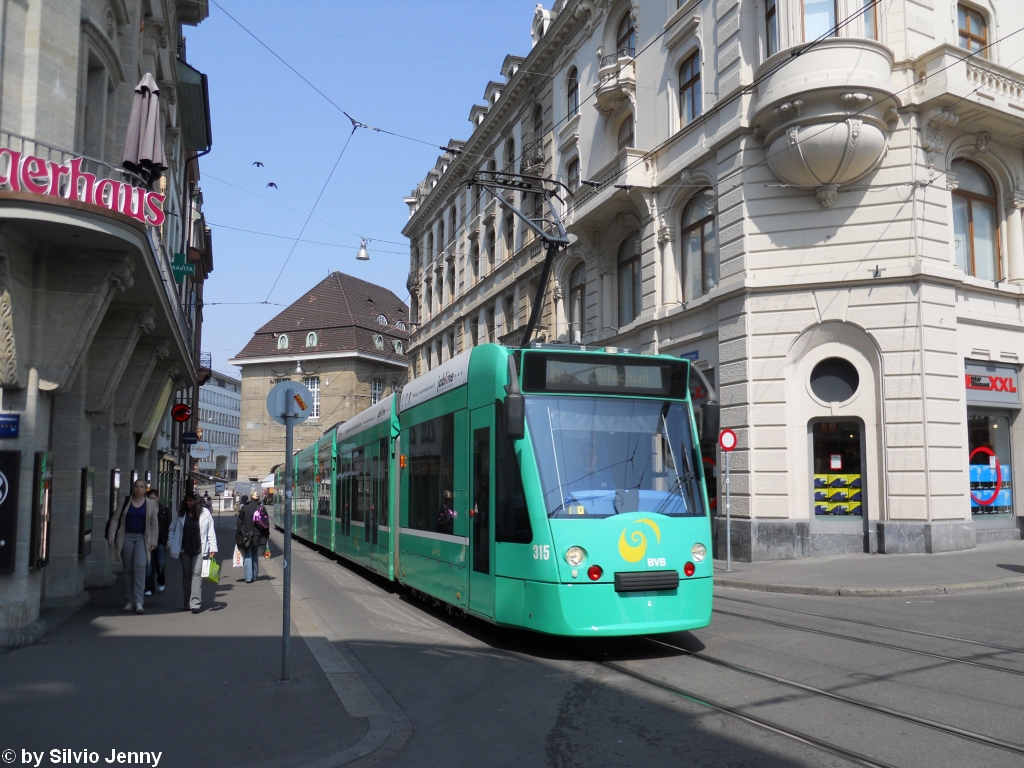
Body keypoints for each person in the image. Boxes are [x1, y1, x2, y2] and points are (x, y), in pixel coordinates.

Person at [107, 479, 158, 614]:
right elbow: (115, 518)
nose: (138, 489)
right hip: (127, 537)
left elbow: (154, 524)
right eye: (136, 486)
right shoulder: (125, 501)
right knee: (128, 570)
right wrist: (112, 535)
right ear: (133, 488)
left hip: (142, 538)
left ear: (145, 489)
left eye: (141, 487)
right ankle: (129, 600)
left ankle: (139, 601)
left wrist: (153, 542)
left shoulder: (150, 504)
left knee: (140, 567)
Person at [169, 492, 218, 613]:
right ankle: (186, 602)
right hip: (184, 549)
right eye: (187, 501)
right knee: (186, 575)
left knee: (196, 574)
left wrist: (213, 548)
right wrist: (170, 542)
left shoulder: (205, 513)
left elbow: (210, 531)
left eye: (191, 501)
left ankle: (195, 603)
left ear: (196, 501)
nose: (189, 503)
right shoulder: (180, 513)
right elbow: (172, 528)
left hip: (199, 549)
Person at [144, 489, 171, 596]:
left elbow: (169, 526)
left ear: (158, 498)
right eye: (149, 499)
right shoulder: (145, 510)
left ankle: (161, 579)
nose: (151, 500)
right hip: (148, 541)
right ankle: (149, 587)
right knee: (149, 565)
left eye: (153, 498)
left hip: (161, 541)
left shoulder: (164, 510)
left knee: (160, 563)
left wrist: (168, 541)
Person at [236, 492, 268, 583]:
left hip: (247, 535)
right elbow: (266, 523)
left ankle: (248, 577)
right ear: (258, 498)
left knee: (248, 555)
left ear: (250, 497)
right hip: (258, 535)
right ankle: (254, 575)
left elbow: (239, 523)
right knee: (255, 554)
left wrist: (239, 535)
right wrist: (266, 536)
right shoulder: (262, 508)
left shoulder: (245, 508)